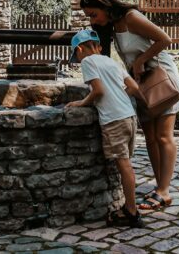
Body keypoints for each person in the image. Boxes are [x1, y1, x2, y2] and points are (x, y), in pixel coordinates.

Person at [79, 0, 179, 212]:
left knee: (164, 136)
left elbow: (164, 39)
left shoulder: (131, 17)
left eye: (93, 14)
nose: (92, 20)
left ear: (105, 6)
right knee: (150, 137)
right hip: (142, 82)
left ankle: (164, 192)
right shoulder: (112, 26)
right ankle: (159, 187)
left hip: (160, 77)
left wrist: (140, 61)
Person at [65, 29, 144, 228]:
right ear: (99, 47)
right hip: (129, 116)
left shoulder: (88, 62)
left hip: (114, 119)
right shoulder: (111, 62)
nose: (78, 58)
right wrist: (119, 97)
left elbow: (98, 91)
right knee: (127, 164)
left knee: (124, 165)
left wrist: (82, 103)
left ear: (80, 49)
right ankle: (131, 208)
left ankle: (132, 212)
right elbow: (134, 88)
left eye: (77, 54)